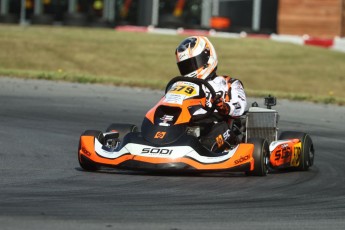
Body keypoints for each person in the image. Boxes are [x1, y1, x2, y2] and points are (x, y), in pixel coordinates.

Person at [175, 36, 247, 151]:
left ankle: (202, 150)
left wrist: (224, 107)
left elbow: (240, 107)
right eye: (185, 67)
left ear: (207, 58)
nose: (189, 70)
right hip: (187, 124)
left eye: (191, 64)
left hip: (217, 126)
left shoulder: (229, 83)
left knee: (216, 133)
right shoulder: (181, 86)